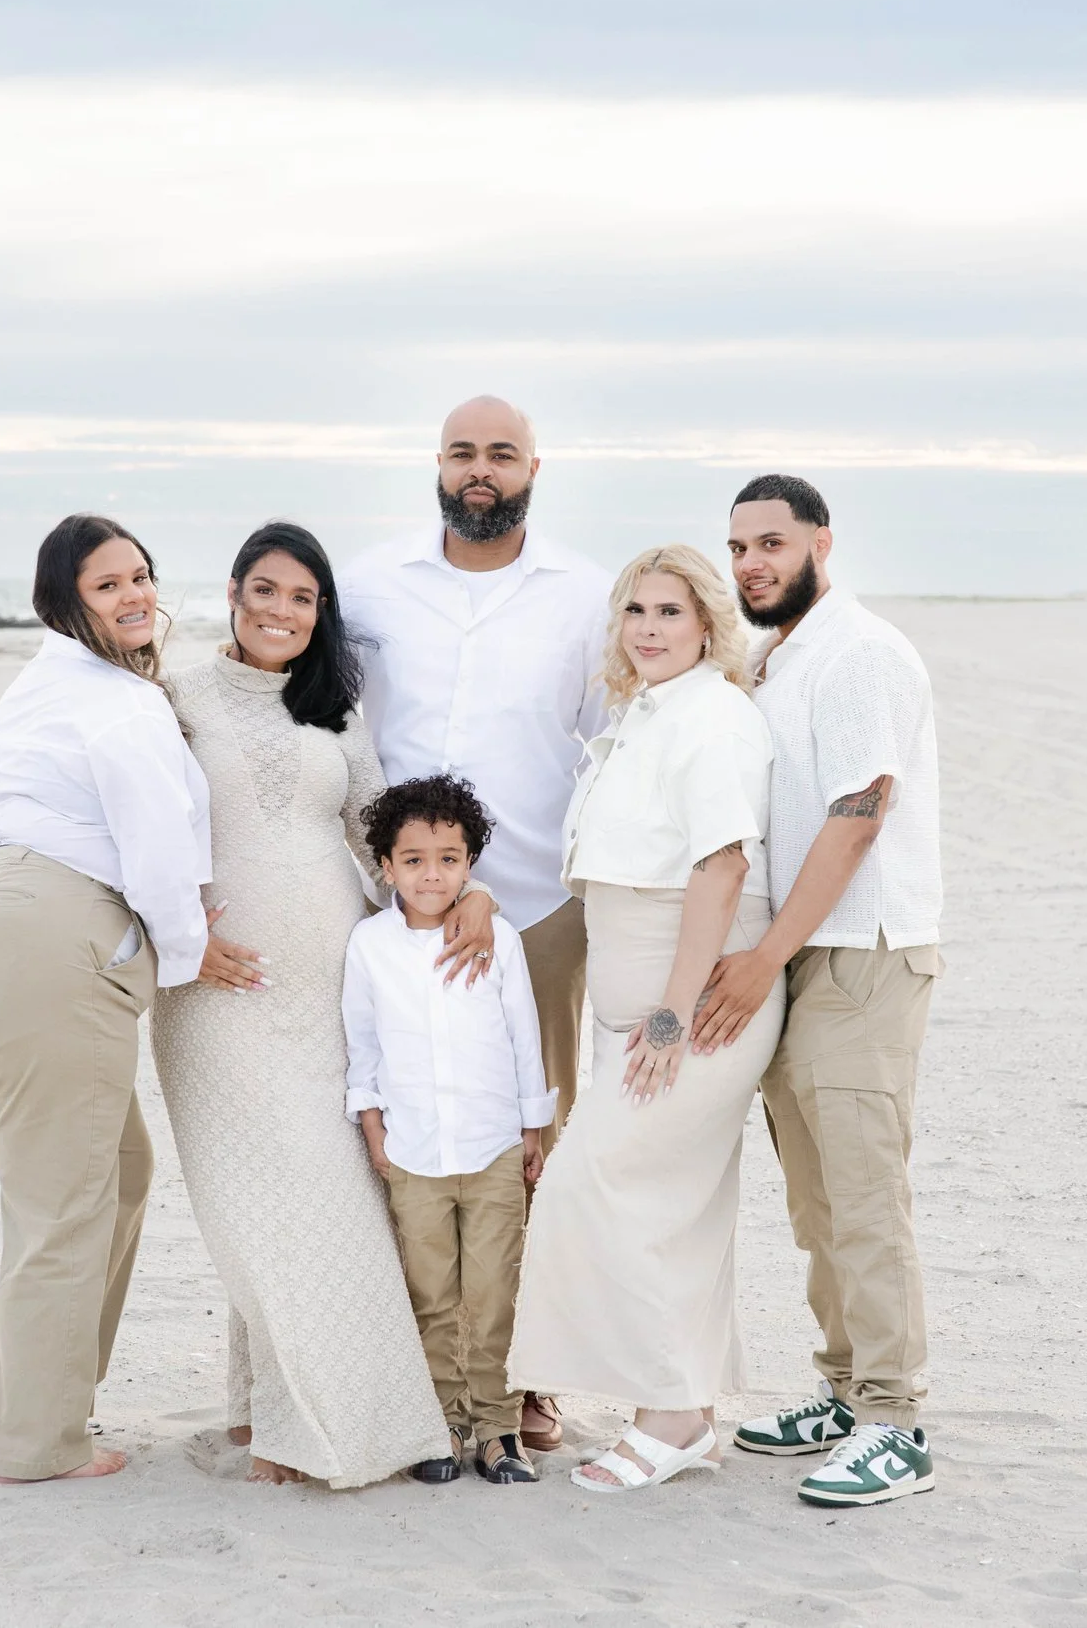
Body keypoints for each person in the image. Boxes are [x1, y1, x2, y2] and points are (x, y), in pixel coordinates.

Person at [0, 522, 489, 1487]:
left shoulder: (337, 707)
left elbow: (381, 831)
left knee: (333, 1186)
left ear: (320, 611)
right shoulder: (172, 695)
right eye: (264, 591)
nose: (281, 611)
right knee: (273, 1192)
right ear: (234, 594)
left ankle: (264, 1415)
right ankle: (321, 1428)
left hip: (331, 989)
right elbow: (90, 782)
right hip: (215, 991)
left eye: (302, 597)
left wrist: (469, 892)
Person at [339, 394, 612, 1454]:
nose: (480, 470)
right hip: (384, 912)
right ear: (437, 465)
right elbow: (290, 695)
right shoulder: (370, 586)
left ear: (537, 466)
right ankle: (406, 1362)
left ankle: (525, 1377)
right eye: (463, 453)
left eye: (501, 452)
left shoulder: (585, 596)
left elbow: (610, 748)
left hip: (537, 909)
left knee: (525, 1144)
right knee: (388, 1127)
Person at [0, 513, 207, 1484]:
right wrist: (187, 960)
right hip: (43, 951)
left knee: (117, 1169)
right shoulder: (122, 706)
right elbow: (160, 857)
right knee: (67, 1199)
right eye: (107, 585)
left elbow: (29, 792)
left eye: (141, 576)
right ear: (65, 604)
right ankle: (39, 1442)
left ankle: (19, 1383)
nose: (134, 595)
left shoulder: (51, 680)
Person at [506, 544, 785, 1493]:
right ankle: (686, 1416)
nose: (650, 628)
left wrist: (671, 1014)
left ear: (708, 621)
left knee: (598, 1183)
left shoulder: (714, 716)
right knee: (673, 1206)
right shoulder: (640, 715)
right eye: (635, 610)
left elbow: (721, 865)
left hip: (691, 1006)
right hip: (635, 1000)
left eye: (671, 611)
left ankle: (667, 1412)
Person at [695, 473, 944, 1508]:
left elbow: (858, 811)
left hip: (861, 949)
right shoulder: (775, 658)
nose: (752, 562)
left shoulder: (858, 653)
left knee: (862, 1190)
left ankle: (894, 1419)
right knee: (815, 1197)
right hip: (799, 952)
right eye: (739, 546)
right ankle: (842, 1391)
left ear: (819, 544)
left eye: (772, 543)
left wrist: (763, 959)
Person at [344, 775, 556, 1487]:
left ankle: (497, 1427)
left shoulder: (501, 940)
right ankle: (442, 1420)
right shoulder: (370, 946)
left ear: (470, 866)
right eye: (413, 859)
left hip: (493, 1142)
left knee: (494, 1289)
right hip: (412, 1149)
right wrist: (373, 1129)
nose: (431, 873)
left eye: (448, 858)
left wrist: (532, 1127)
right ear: (385, 866)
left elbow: (525, 1035)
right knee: (431, 1292)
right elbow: (362, 1044)